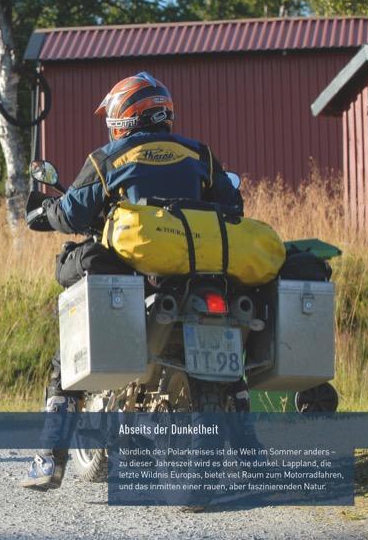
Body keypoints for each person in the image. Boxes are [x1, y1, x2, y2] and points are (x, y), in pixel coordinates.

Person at [20, 71, 244, 491]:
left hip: (137, 274)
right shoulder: (202, 155)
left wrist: (42, 213)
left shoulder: (109, 158)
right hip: (197, 273)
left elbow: (71, 213)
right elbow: (233, 206)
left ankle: (49, 457)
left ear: (126, 114)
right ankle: (244, 439)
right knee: (229, 335)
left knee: (69, 349)